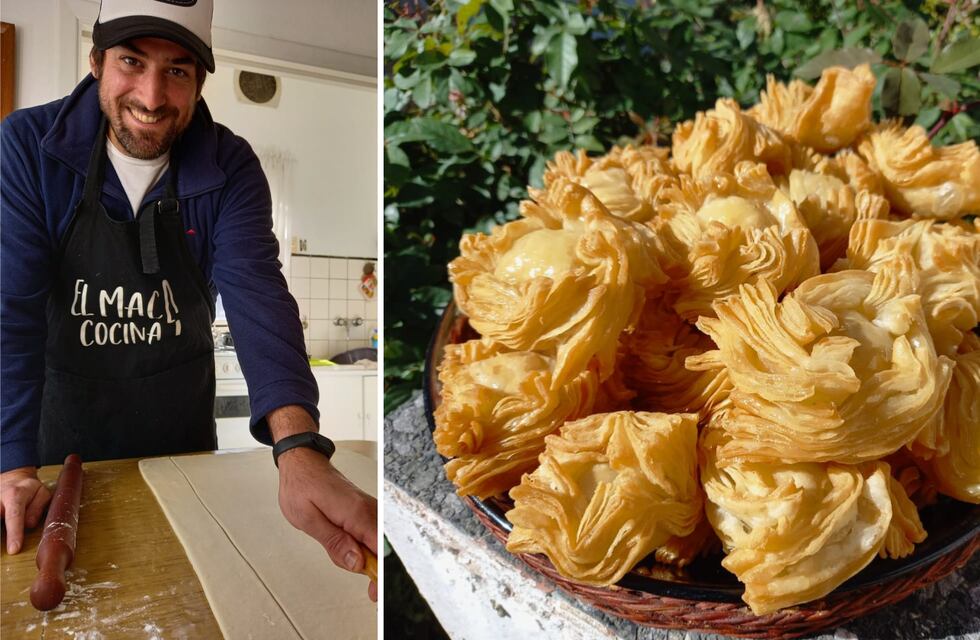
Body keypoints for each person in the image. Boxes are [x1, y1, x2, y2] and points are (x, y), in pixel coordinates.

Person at [0, 0, 377, 601]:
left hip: (178, 436)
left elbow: (258, 297)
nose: (152, 97)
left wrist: (298, 447)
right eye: (131, 62)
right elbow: (9, 317)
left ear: (200, 80)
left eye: (177, 71)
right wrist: (12, 465)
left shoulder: (230, 166)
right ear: (96, 61)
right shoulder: (27, 148)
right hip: (54, 445)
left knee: (176, 594)